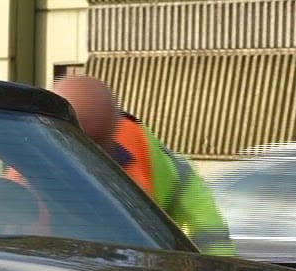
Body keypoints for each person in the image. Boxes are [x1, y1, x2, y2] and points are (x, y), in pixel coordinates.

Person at [50, 74, 236, 256]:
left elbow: (206, 227)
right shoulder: (35, 163)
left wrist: (218, 270)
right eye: (83, 142)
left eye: (100, 141)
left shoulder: (144, 149)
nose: (94, 153)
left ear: (115, 125)